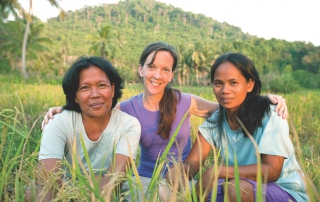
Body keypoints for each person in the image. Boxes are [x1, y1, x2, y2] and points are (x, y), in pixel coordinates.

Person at [41, 42, 288, 200]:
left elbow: (229, 105)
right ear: (141, 70)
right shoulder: (127, 107)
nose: (157, 75)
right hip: (144, 178)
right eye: (152, 67)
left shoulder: (185, 101)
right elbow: (95, 105)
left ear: (171, 75)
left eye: (165, 69)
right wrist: (63, 109)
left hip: (182, 178)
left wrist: (263, 99)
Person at [178, 53, 307, 201]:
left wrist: (219, 171)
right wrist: (175, 174)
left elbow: (272, 171)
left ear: (250, 85)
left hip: (285, 191)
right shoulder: (216, 121)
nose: (225, 90)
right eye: (218, 83)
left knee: (235, 188)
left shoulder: (271, 114)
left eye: (233, 83)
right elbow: (191, 165)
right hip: (244, 185)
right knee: (210, 192)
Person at [25, 56, 141, 201]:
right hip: (62, 190)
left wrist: (72, 189)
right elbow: (48, 181)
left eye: (102, 85)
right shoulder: (58, 123)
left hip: (95, 192)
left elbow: (114, 183)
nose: (95, 94)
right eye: (85, 87)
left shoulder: (129, 125)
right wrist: (94, 182)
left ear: (113, 89)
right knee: (34, 192)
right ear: (75, 96)